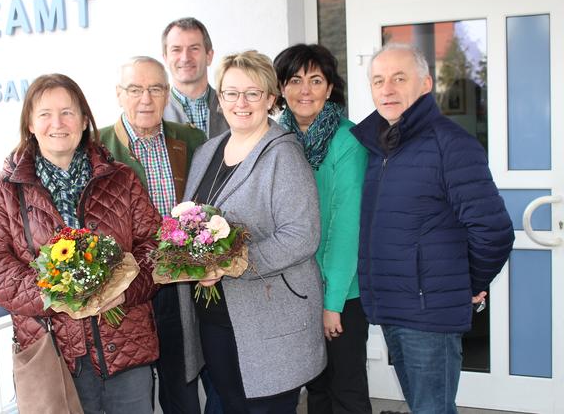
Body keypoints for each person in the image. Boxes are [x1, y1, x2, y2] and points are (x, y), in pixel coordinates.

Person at [0, 74, 160, 413]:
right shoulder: (6, 189)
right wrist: (56, 294)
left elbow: (152, 247)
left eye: (68, 112)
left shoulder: (121, 178)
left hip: (126, 348)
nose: (57, 123)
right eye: (45, 114)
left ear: (85, 120)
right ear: (30, 123)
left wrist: (125, 292)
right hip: (55, 356)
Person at [351, 43, 515, 414]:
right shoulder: (380, 147)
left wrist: (467, 283)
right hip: (393, 306)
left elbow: (495, 231)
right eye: (378, 80)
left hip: (428, 313)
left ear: (425, 84)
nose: (387, 89)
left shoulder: (451, 144)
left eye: (399, 78)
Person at [178, 50, 326, 413]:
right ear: (219, 98)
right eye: (231, 92)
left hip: (268, 319)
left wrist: (232, 263)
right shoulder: (207, 152)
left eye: (253, 93)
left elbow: (302, 236)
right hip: (215, 319)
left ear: (271, 99)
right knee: (230, 403)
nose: (240, 103)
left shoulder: (283, 156)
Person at [98, 56, 210, 414]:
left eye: (156, 89)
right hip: (129, 290)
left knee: (181, 386)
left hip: (181, 285)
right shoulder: (95, 147)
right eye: (135, 89)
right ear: (119, 94)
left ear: (167, 95)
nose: (146, 99)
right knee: (133, 392)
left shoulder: (191, 139)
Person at [274, 43, 372, 414]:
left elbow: (346, 228)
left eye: (316, 80)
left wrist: (331, 304)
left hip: (341, 292)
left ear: (330, 88)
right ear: (281, 88)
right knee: (316, 389)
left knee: (346, 391)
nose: (305, 90)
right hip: (296, 288)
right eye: (295, 80)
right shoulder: (274, 140)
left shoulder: (348, 141)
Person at [162, 17, 229, 139]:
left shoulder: (234, 105)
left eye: (194, 49)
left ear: (209, 56)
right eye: (176, 50)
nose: (185, 58)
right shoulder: (154, 111)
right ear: (165, 58)